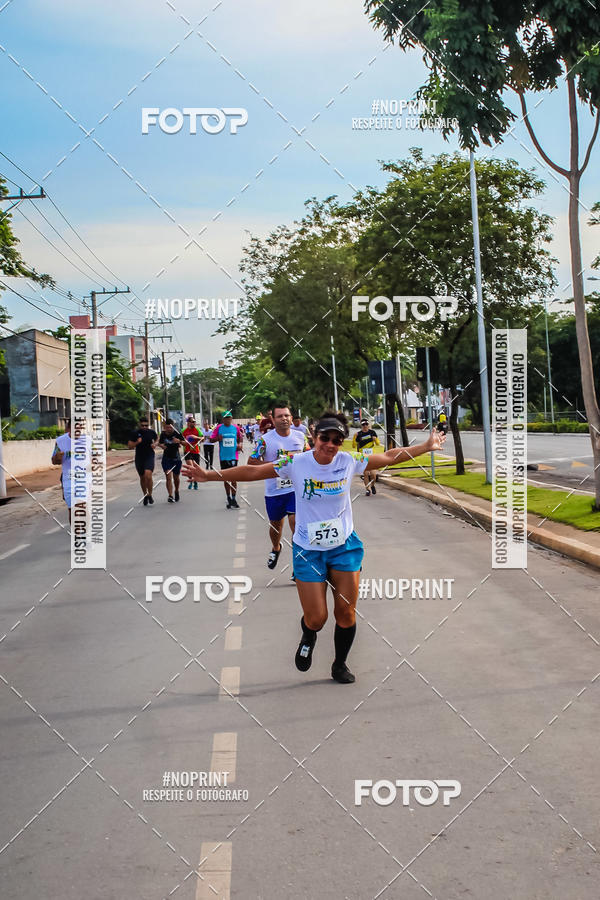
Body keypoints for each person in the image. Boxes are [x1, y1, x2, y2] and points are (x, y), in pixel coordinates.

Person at [183, 411, 446, 684]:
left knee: (346, 613)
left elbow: (390, 457)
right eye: (324, 438)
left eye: (336, 440)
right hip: (308, 550)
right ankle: (309, 634)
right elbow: (254, 470)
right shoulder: (296, 462)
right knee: (317, 618)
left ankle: (339, 664)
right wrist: (209, 475)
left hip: (344, 546)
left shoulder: (349, 461)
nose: (330, 445)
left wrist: (426, 446)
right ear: (314, 437)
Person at [248, 401, 310, 569]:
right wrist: (276, 467)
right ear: (273, 420)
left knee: (295, 523)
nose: (284, 419)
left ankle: (298, 564)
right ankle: (276, 547)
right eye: (280, 416)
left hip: (296, 490)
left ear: (291, 418)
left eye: (287, 415)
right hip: (274, 491)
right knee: (276, 527)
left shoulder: (300, 437)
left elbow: (310, 457)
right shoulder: (265, 440)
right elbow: (252, 462)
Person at [210, 411, 244, 509]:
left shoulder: (235, 428)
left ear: (231, 418)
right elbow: (211, 440)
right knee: (225, 478)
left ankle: (234, 498)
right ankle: (228, 497)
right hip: (223, 457)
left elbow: (240, 437)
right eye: (226, 418)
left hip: (234, 456)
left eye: (229, 418)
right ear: (223, 419)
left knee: (234, 477)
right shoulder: (219, 428)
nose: (228, 419)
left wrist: (240, 445)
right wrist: (217, 438)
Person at [128, 415, 158, 506]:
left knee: (148, 475)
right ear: (139, 425)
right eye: (142, 425)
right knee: (142, 477)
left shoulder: (151, 432)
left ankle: (150, 494)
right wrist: (137, 442)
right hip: (139, 457)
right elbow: (130, 446)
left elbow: (157, 439)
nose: (144, 427)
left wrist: (155, 444)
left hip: (149, 455)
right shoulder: (135, 433)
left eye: (146, 425)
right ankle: (145, 494)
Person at [51, 419, 73, 522]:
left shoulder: (87, 440)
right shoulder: (60, 441)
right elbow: (54, 461)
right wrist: (58, 457)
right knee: (72, 508)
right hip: (68, 478)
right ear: (68, 428)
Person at [352, 419, 381, 496]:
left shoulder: (372, 432)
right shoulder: (358, 434)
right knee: (366, 473)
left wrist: (375, 439)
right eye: (363, 425)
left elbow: (378, 444)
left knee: (373, 474)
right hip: (362, 456)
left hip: (371, 456)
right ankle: (367, 489)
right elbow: (354, 446)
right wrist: (354, 437)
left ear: (368, 425)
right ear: (361, 426)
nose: (365, 426)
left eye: (366, 424)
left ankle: (372, 485)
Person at [158, 419, 185, 502]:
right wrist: (161, 446)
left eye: (170, 427)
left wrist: (179, 441)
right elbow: (160, 443)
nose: (169, 429)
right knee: (168, 476)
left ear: (173, 426)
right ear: (164, 427)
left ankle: (176, 490)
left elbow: (185, 443)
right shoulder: (163, 434)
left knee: (176, 478)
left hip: (176, 458)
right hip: (166, 458)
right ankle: (170, 495)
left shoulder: (177, 433)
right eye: (167, 427)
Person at [183, 417, 203, 489]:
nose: (194, 423)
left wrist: (195, 437)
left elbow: (203, 438)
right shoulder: (184, 431)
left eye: (194, 422)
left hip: (195, 451)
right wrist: (182, 442)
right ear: (188, 423)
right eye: (192, 422)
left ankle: (195, 481)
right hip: (187, 451)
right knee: (190, 467)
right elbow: (181, 440)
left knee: (195, 468)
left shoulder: (197, 430)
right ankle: (191, 481)